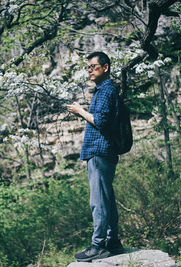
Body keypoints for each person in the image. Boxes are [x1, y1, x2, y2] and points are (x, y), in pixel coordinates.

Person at [67, 51, 124, 262]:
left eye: (93, 66)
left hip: (100, 152)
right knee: (107, 198)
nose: (90, 70)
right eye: (88, 67)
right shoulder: (104, 90)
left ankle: (98, 245)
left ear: (105, 67)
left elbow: (100, 121)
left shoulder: (107, 91)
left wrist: (80, 111)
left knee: (98, 200)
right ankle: (114, 243)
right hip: (103, 152)